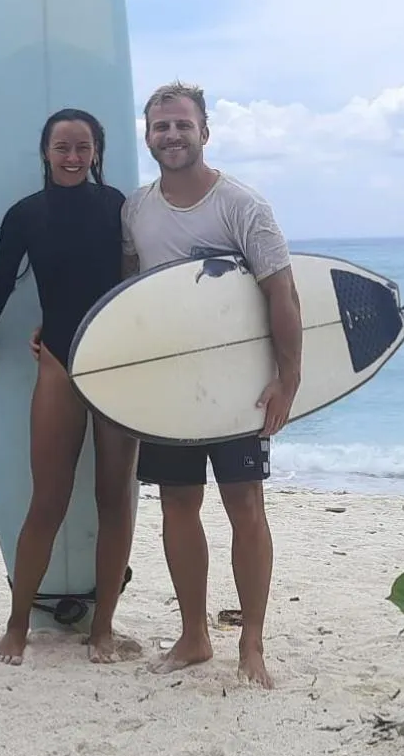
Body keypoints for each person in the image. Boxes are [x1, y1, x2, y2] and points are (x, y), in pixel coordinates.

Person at [127, 81, 302, 689]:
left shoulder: (241, 205)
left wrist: (289, 377)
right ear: (146, 134)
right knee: (177, 504)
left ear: (205, 131)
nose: (171, 135)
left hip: (237, 388)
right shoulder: (137, 208)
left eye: (182, 125)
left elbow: (281, 290)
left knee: (245, 505)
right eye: (160, 126)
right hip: (173, 388)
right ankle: (194, 635)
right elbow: (132, 298)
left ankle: (251, 642)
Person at [0, 109, 140, 666]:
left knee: (115, 500)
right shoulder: (25, 215)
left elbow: (144, 281)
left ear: (96, 152)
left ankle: (103, 628)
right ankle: (17, 625)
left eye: (82, 147)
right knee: (48, 500)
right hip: (59, 361)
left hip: (116, 362)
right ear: (45, 151)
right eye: (62, 146)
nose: (72, 156)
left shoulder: (118, 207)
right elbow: (2, 285)